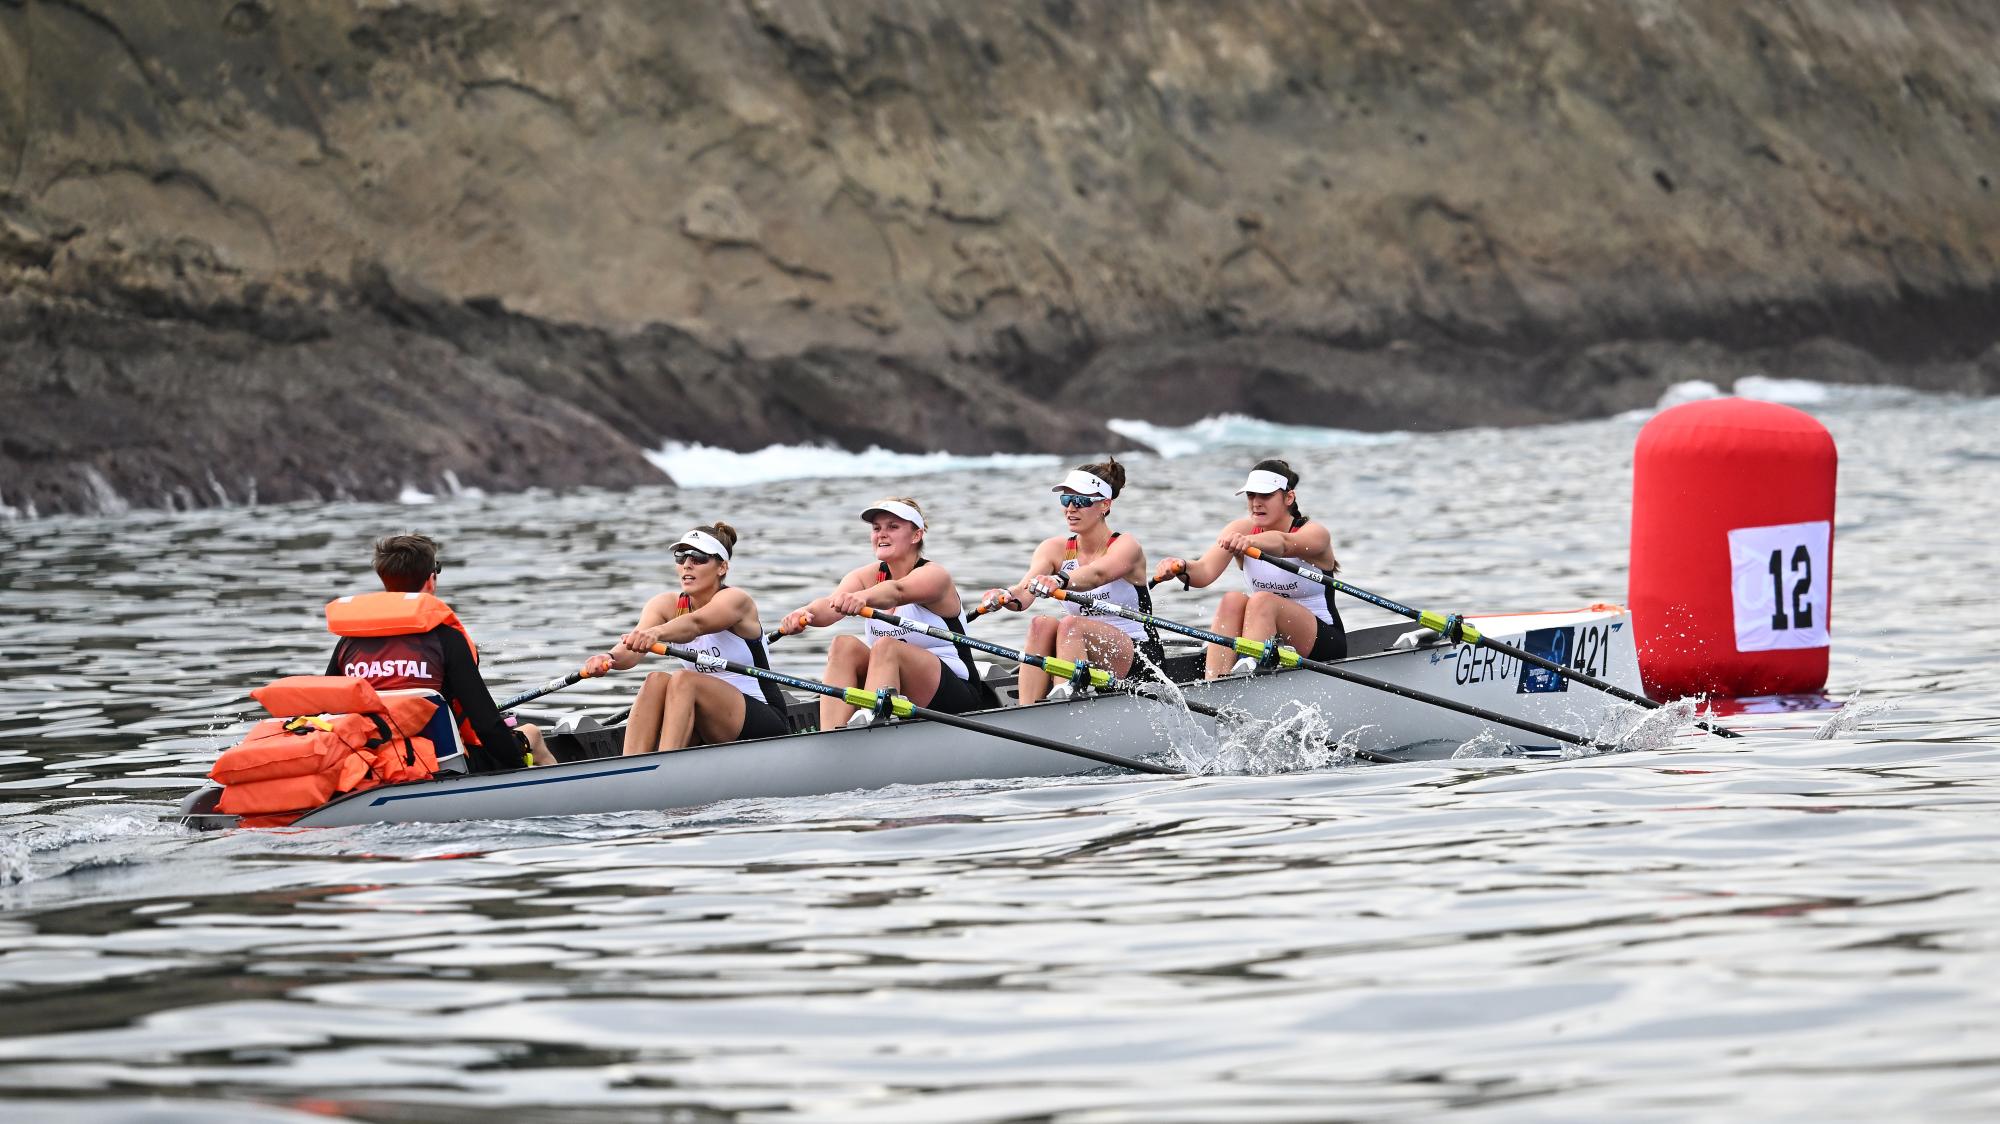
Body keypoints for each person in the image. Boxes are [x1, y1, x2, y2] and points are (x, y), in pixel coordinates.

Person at [325, 534, 565, 772]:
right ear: (431, 579)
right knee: (531, 733)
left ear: (384, 580)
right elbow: (486, 725)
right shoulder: (447, 640)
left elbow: (327, 711)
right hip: (444, 764)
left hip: (373, 763)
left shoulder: (349, 644)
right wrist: (514, 763)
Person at [779, 497, 996, 728]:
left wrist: (863, 597)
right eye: (876, 528)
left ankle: (872, 731)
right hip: (893, 686)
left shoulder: (935, 576)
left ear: (916, 535)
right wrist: (804, 614)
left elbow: (898, 590)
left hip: (956, 692)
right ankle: (831, 734)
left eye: (893, 527)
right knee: (843, 645)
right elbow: (830, 606)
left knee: (886, 646)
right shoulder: (866, 576)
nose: (881, 534)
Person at [597, 523, 792, 754]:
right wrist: (608, 658)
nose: (687, 564)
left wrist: (657, 633)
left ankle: (666, 764)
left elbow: (696, 624)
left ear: (722, 567)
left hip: (764, 718)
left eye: (698, 558)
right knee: (655, 680)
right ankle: (631, 764)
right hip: (705, 717)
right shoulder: (665, 605)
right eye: (681, 557)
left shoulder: (736, 600)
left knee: (684, 680)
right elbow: (629, 652)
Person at [983, 459, 1163, 703]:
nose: (1071, 508)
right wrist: (1004, 596)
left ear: (1104, 505)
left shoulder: (1126, 546)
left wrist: (1059, 580)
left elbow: (1098, 574)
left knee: (1071, 625)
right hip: (1080, 650)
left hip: (1139, 655)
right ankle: (1027, 711)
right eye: (1066, 500)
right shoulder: (1053, 549)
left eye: (1080, 501)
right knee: (1041, 624)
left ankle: (1063, 704)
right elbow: (1023, 594)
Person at [1151, 458, 1347, 678]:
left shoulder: (1314, 533)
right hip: (1269, 639)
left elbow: (1283, 543)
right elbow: (1204, 572)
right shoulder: (1241, 529)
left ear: (1288, 497)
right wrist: (1180, 567)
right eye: (1251, 495)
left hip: (1324, 643)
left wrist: (1252, 542)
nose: (1256, 503)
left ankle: (1246, 677)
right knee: (1232, 600)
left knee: (1263, 600)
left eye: (1266, 495)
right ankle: (1214, 684)